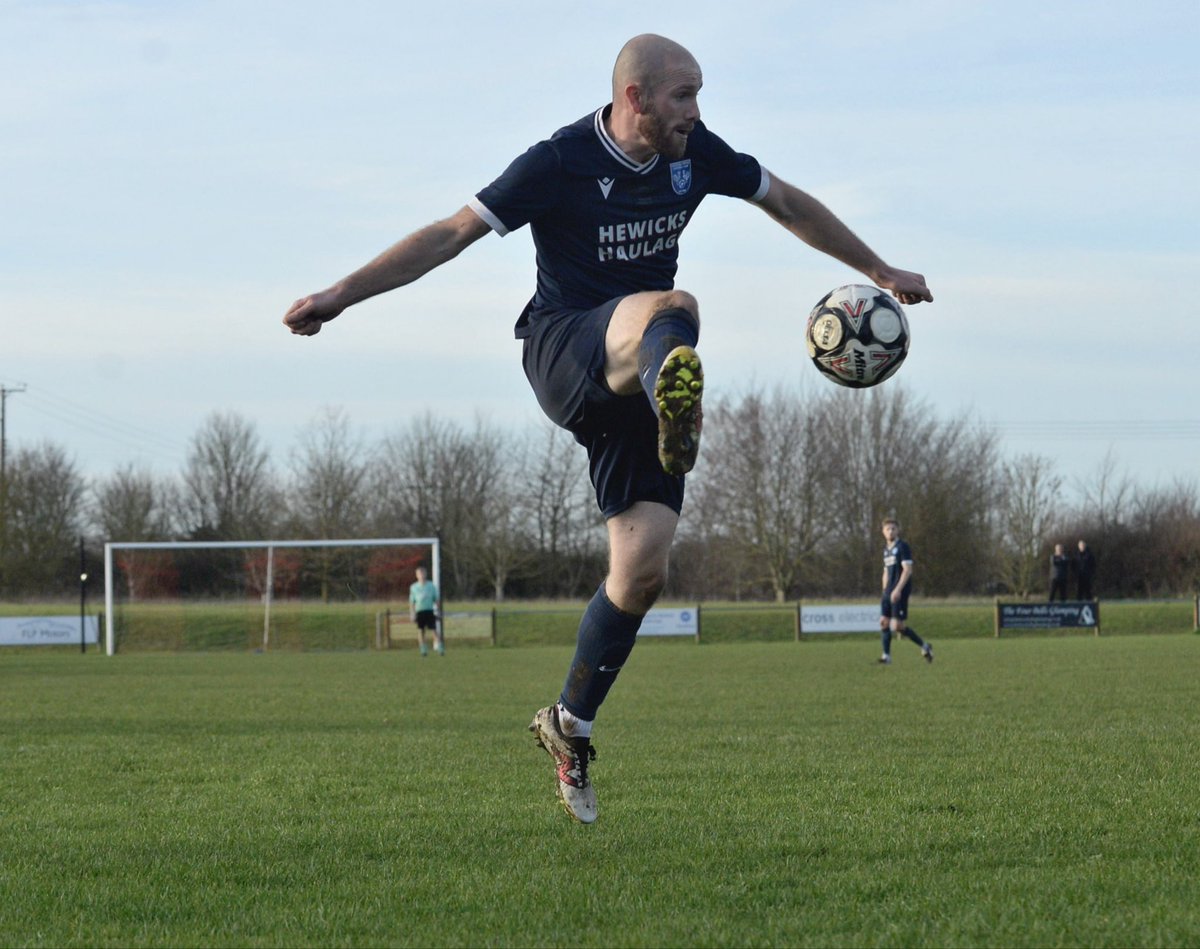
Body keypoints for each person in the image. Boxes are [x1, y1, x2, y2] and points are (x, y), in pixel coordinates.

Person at [283, 34, 932, 823]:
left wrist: (877, 268)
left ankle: (568, 724)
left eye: (699, 96)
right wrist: (339, 295)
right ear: (635, 98)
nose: (696, 112)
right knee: (674, 306)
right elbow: (451, 232)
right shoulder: (557, 162)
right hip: (566, 348)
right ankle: (673, 396)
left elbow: (787, 202)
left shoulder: (699, 158)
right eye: (683, 96)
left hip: (639, 379)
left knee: (642, 570)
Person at [878, 517, 933, 665]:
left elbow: (907, 570)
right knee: (884, 622)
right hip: (888, 591)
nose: (890, 531)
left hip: (899, 591)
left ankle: (925, 646)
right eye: (887, 529)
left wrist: (897, 589)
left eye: (893, 528)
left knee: (897, 626)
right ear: (883, 532)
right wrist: (885, 591)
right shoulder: (886, 551)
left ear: (898, 530)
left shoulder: (902, 547)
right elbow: (886, 572)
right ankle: (886, 657)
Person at [409, 566, 442, 656]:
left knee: (434, 630)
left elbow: (436, 599)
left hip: (429, 610)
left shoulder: (431, 586)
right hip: (420, 611)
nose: (422, 576)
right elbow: (412, 601)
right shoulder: (414, 587)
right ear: (417, 575)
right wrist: (412, 613)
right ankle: (423, 648)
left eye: (423, 573)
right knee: (421, 630)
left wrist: (438, 611)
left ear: (426, 574)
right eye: (419, 574)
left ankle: (440, 647)